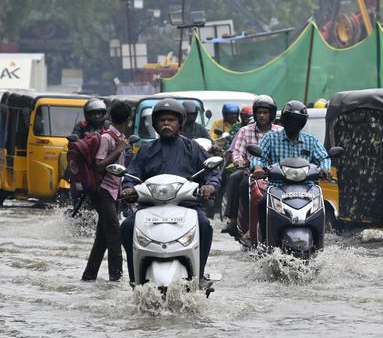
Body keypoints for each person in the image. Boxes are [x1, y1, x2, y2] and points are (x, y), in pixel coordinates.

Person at [120, 98, 221, 285]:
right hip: (149, 206)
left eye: (171, 120)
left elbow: (211, 172)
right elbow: (131, 174)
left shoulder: (193, 148)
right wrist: (127, 188)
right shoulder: (146, 150)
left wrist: (210, 185)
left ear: (179, 123)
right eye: (162, 120)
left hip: (186, 206)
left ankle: (200, 274)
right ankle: (135, 275)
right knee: (127, 226)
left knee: (204, 225)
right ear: (156, 125)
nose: (166, 123)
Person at [81, 100, 132, 282]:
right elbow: (99, 165)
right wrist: (118, 150)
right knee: (114, 234)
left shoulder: (120, 138)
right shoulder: (108, 138)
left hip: (113, 192)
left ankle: (89, 277)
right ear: (129, 119)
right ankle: (116, 279)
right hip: (103, 191)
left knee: (102, 239)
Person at [222, 95, 280, 239]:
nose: (262, 115)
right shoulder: (245, 130)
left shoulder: (280, 131)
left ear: (271, 114)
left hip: (274, 172)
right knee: (238, 180)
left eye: (265, 112)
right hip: (250, 171)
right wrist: (238, 161)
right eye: (259, 112)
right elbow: (237, 151)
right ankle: (236, 221)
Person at [68, 98, 109, 215]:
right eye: (93, 113)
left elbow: (118, 138)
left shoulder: (108, 126)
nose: (97, 116)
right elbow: (72, 144)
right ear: (87, 114)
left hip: (103, 165)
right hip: (83, 165)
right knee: (78, 189)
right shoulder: (81, 126)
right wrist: (75, 141)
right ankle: (76, 211)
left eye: (99, 113)